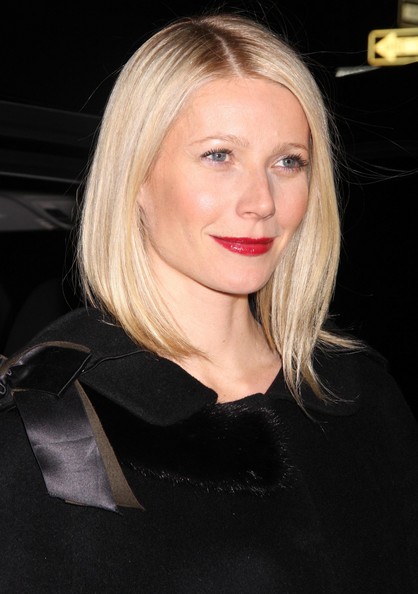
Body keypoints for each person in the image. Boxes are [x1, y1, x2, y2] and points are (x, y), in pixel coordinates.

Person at [1, 12, 418, 593]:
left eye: (288, 161)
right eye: (219, 155)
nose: (261, 201)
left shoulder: (361, 394)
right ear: (136, 178)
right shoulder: (53, 429)